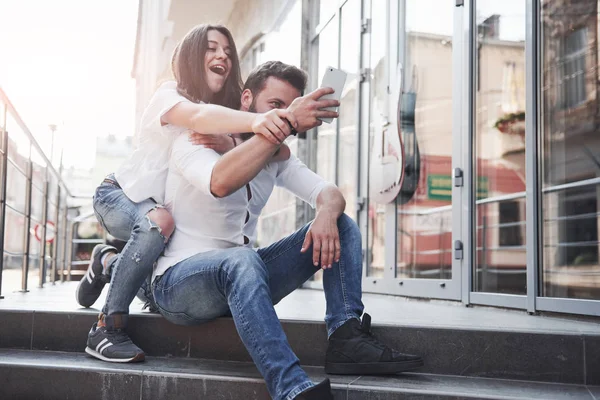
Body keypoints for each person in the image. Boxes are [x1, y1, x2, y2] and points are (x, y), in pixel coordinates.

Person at [150, 61, 424, 400]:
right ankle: (292, 388)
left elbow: (330, 192)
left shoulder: (275, 156)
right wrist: (288, 122)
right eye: (277, 106)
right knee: (241, 260)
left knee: (341, 224)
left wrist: (325, 212)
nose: (284, 117)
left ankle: (346, 337)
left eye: (291, 109)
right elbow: (218, 181)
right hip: (179, 285)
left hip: (241, 280)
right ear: (247, 100)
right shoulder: (197, 137)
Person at [76, 24, 339, 363]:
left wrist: (236, 138)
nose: (222, 56)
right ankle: (105, 327)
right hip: (120, 193)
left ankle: (107, 262)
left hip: (155, 207)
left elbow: (246, 137)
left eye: (228, 52)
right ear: (191, 54)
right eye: (212, 48)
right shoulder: (170, 94)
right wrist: (263, 123)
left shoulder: (221, 113)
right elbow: (199, 117)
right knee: (159, 225)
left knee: (158, 248)